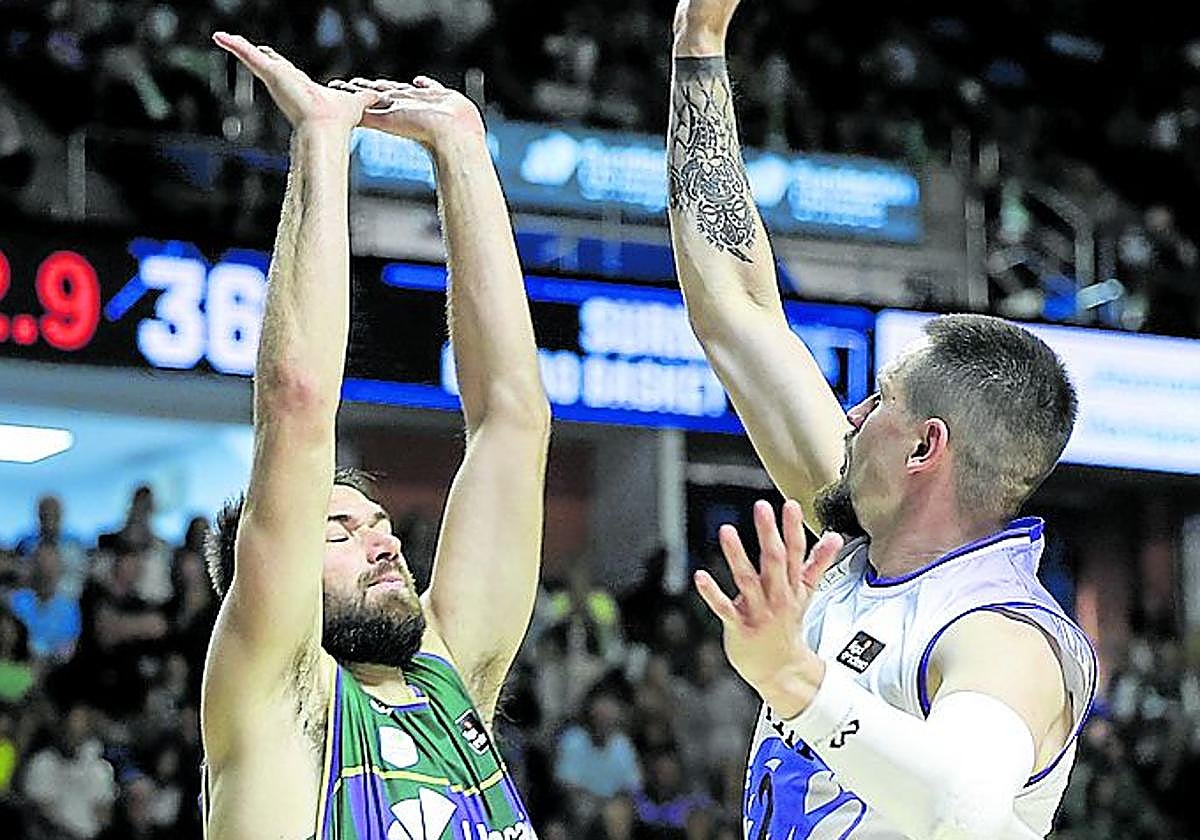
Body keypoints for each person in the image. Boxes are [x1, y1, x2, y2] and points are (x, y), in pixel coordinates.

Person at [666, 3, 1096, 838]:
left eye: (881, 399)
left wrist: (794, 679)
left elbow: (961, 810)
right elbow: (737, 310)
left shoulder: (1000, 630)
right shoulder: (852, 545)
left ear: (927, 446)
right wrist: (698, 45)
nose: (854, 413)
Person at [200, 32, 550, 840]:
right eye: (339, 531)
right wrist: (323, 138)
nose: (383, 543)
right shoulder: (277, 701)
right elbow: (296, 405)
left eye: (381, 527)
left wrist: (463, 150)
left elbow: (512, 420)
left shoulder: (450, 676)